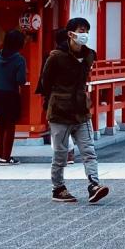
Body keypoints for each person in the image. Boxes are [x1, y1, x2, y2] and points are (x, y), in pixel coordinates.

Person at [37, 16, 110, 204]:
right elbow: (45, 82)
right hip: (60, 111)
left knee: (89, 150)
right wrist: (56, 98)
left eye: (86, 30)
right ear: (70, 34)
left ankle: (94, 184)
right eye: (80, 30)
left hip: (81, 111)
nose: (84, 34)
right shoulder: (56, 57)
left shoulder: (89, 55)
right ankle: (58, 187)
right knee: (61, 153)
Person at [0, 28, 27, 165]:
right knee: (10, 126)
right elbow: (21, 80)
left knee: (0, 126)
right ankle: (6, 157)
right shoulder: (19, 59)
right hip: (10, 93)